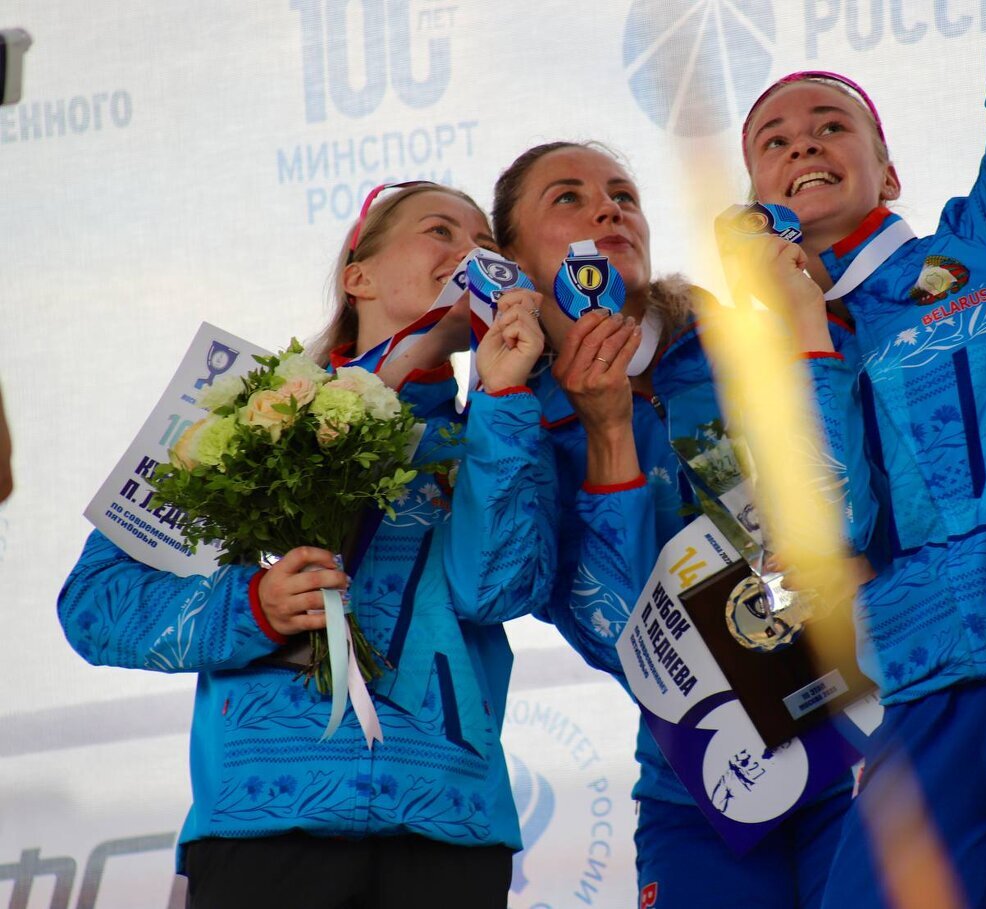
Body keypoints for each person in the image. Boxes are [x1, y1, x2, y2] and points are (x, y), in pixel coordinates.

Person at [58, 182, 556, 909]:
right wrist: (253, 607)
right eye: (441, 232)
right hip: (265, 830)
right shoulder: (242, 410)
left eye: (485, 245)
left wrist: (504, 398)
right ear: (358, 276)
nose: (470, 255)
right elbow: (94, 605)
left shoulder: (497, 428)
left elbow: (497, 591)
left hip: (448, 834)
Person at [732, 2, 986, 905]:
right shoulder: (774, 365)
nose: (803, 142)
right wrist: (803, 328)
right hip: (915, 703)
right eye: (773, 141)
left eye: (832, 125)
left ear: (890, 170)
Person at [492, 141, 854, 908]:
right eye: (568, 197)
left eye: (624, 194)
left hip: (858, 728)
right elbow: (617, 630)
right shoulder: (517, 424)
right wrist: (607, 435)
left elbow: (857, 497)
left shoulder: (745, 338)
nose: (608, 208)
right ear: (512, 261)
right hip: (707, 782)